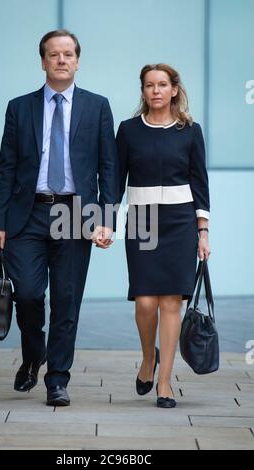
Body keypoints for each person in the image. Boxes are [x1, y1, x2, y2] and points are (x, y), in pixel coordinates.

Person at [0, 30, 118, 406]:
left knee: (67, 300)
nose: (62, 60)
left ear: (77, 60)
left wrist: (106, 217)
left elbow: (108, 167)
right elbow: (7, 168)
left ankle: (57, 379)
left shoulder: (97, 106)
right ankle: (34, 355)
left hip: (76, 213)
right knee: (28, 295)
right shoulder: (20, 107)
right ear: (43, 61)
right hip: (27, 214)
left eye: (68, 54)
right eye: (54, 54)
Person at [116, 64, 211, 408]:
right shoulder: (127, 130)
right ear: (142, 91)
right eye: (149, 85)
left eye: (162, 85)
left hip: (180, 223)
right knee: (144, 301)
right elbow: (115, 179)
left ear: (174, 90)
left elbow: (200, 182)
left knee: (172, 302)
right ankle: (147, 358)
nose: (156, 90)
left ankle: (166, 382)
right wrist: (103, 221)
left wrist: (203, 230)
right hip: (141, 220)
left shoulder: (190, 131)